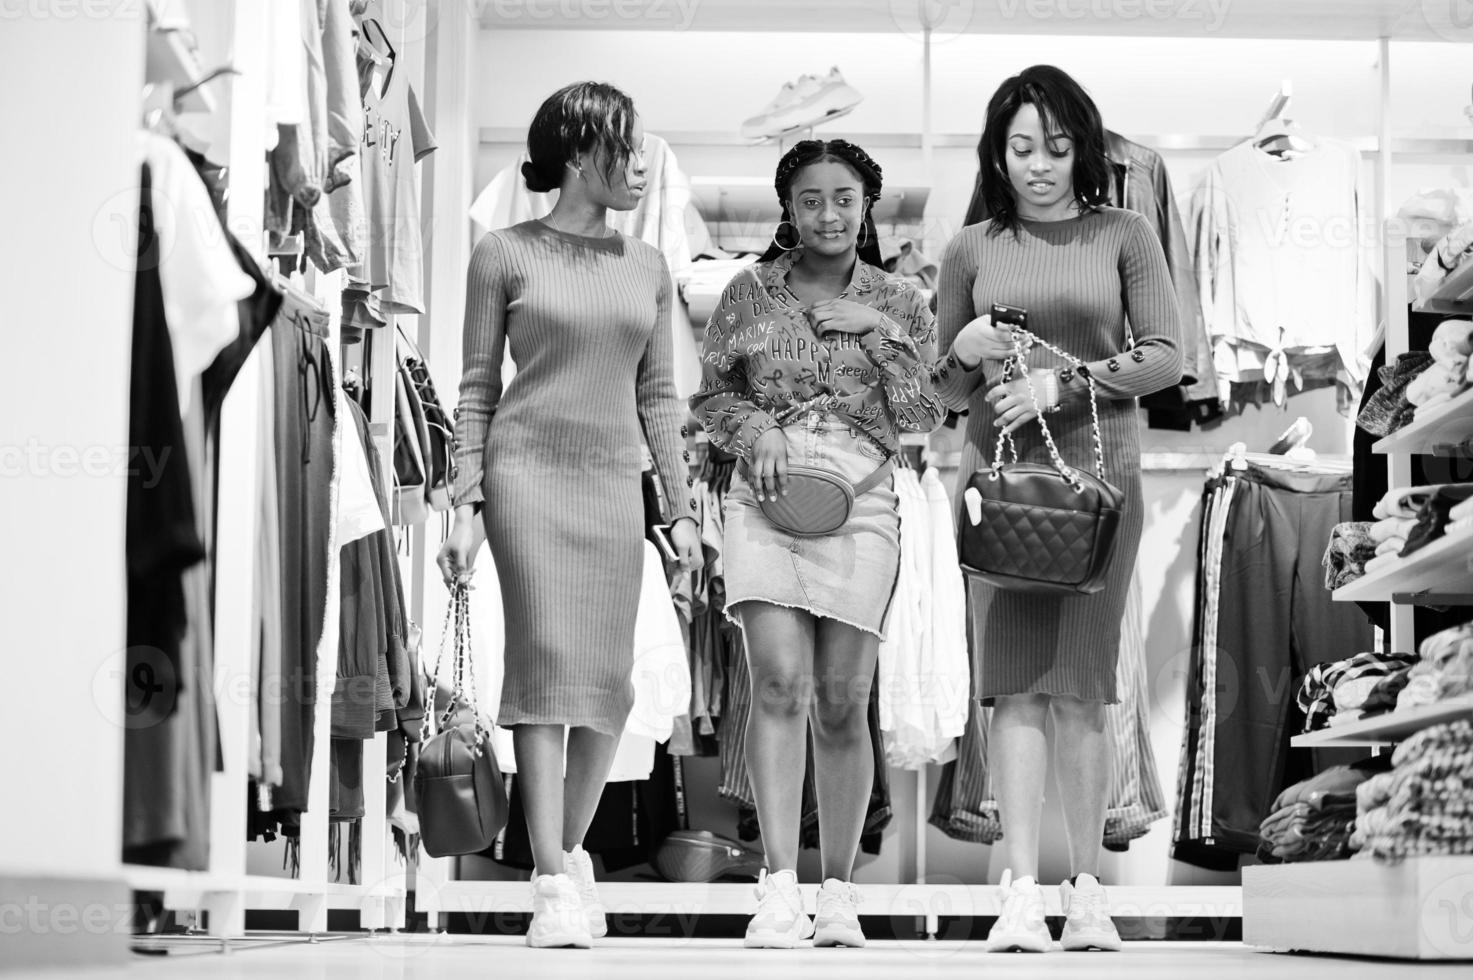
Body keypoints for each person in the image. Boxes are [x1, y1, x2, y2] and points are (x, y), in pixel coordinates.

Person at [437, 81, 702, 950]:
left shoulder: (646, 265)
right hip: (525, 477)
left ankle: (569, 854)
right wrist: (466, 501)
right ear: (579, 153)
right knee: (545, 669)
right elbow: (476, 388)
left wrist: (682, 508)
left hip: (610, 485)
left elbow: (660, 397)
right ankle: (548, 876)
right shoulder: (504, 254)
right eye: (624, 149)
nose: (638, 167)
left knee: (610, 686)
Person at [933, 65, 1182, 953]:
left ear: (1084, 147)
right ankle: (1019, 893)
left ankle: (1086, 893)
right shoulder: (969, 247)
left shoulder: (1125, 233)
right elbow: (940, 394)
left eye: (1057, 147)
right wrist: (961, 349)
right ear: (996, 155)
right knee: (1011, 691)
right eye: (1020, 148)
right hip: (995, 480)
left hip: (1100, 478)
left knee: (1082, 688)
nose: (1039, 166)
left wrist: (1063, 383)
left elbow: (1164, 357)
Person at [691, 139, 945, 949]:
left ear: (867, 204)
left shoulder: (900, 298)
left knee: (843, 697)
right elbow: (709, 398)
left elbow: (922, 413)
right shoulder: (747, 292)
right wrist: (756, 426)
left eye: (843, 198)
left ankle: (837, 889)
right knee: (778, 686)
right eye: (810, 199)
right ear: (787, 208)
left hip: (865, 500)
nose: (828, 214)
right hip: (764, 497)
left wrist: (879, 332)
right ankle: (777, 886)